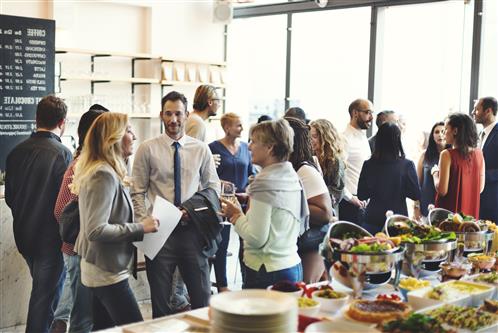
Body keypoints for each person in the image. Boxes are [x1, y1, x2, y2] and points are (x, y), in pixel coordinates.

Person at [131, 91, 220, 318]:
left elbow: (212, 188)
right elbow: (137, 192)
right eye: (168, 114)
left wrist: (192, 210)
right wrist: (144, 222)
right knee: (161, 305)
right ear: (161, 115)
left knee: (202, 301)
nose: (173, 120)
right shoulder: (147, 149)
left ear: (187, 115)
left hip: (193, 230)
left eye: (178, 114)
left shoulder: (201, 149)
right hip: (159, 232)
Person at [72, 112, 158, 328]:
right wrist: (141, 227)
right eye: (129, 130)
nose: (135, 136)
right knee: (136, 328)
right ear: (114, 137)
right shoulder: (103, 174)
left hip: (101, 269)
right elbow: (96, 230)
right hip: (106, 273)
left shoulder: (104, 170)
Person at [5, 95, 72, 333]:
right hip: (50, 240)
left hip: (24, 236)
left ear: (36, 119)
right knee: (44, 302)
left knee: (43, 295)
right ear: (63, 122)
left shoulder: (15, 152)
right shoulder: (63, 154)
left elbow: (11, 198)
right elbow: (65, 205)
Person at [220, 119, 309, 289]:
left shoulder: (265, 184)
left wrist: (236, 215)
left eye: (254, 141)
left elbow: (256, 238)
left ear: (270, 147)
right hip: (291, 265)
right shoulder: (291, 177)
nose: (249, 146)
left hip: (266, 270)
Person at [209, 112, 255, 292]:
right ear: (227, 127)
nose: (242, 129)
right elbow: (208, 176)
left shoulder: (245, 148)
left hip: (245, 203)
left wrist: (250, 190)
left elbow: (252, 173)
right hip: (223, 204)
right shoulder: (212, 148)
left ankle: (248, 282)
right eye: (238, 125)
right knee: (222, 244)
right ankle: (222, 285)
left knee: (247, 245)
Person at [285, 117, 333, 283]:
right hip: (301, 242)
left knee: (304, 290)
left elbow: (325, 213)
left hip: (311, 241)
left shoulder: (305, 170)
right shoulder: (292, 167)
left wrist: (287, 203)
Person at [357, 122, 421, 234]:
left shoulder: (368, 164)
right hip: (398, 221)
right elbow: (415, 194)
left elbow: (362, 195)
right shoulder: (407, 165)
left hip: (372, 219)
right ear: (398, 140)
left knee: (371, 250)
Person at [434, 113, 485, 218]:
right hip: (469, 216)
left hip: (449, 216)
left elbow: (442, 191)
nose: (444, 133)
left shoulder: (446, 155)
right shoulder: (479, 154)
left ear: (455, 131)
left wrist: (435, 174)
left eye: (446, 129)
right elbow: (480, 188)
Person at [340, 98, 373, 224]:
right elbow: (336, 175)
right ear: (355, 113)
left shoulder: (363, 137)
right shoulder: (344, 139)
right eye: (367, 112)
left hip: (365, 202)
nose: (371, 117)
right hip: (350, 203)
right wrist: (350, 198)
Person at [310, 119, 346, 215]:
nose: (310, 140)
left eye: (314, 136)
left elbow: (336, 195)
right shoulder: (309, 157)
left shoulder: (335, 162)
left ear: (325, 138)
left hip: (327, 214)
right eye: (309, 136)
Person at [414, 121, 447, 218]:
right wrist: (416, 208)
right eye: (436, 132)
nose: (440, 134)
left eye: (443, 131)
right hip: (426, 207)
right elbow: (417, 185)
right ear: (432, 135)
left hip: (446, 208)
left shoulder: (452, 156)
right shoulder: (424, 155)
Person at [473, 97, 498, 223]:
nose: (473, 112)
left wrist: (481, 176)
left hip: (493, 199)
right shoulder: (478, 135)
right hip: (477, 199)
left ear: (488, 111)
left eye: (476, 109)